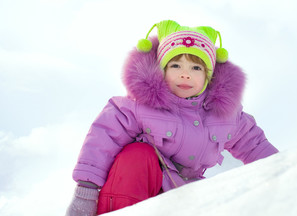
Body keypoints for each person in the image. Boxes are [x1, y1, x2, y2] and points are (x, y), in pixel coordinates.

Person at [65, 20, 279, 216]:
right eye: (176, 66)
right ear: (162, 70)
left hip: (183, 195)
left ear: (208, 75)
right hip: (132, 189)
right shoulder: (139, 105)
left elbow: (254, 145)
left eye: (195, 67)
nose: (185, 74)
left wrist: (285, 170)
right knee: (138, 154)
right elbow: (104, 136)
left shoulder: (224, 115)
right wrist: (86, 190)